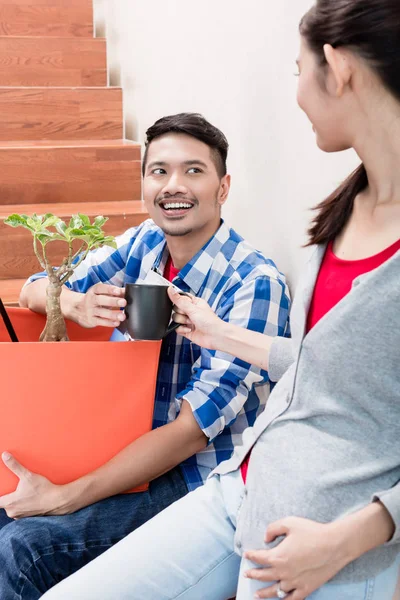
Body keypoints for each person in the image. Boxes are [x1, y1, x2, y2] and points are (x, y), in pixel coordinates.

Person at [41, 1, 400, 599]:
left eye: (298, 71)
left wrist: (353, 536)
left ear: (336, 69)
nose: (298, 95)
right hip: (242, 487)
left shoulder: (256, 276)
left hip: (324, 536)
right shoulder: (345, 210)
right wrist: (222, 334)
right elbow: (332, 377)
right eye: (158, 172)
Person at [0, 113, 290, 599]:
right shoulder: (144, 243)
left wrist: (66, 497)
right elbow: (35, 289)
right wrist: (75, 303)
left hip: (196, 476)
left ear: (223, 188)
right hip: (120, 441)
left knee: (22, 548)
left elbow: (189, 433)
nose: (173, 185)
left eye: (193, 171)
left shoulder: (254, 284)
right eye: (159, 171)